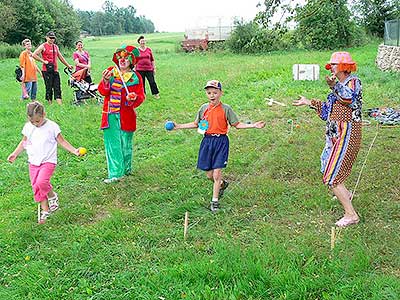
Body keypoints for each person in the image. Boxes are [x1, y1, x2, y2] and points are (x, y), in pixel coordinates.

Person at [172, 80, 266, 212]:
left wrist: (253, 125)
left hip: (221, 142)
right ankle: (222, 184)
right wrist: (178, 126)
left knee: (217, 174)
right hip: (207, 142)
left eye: (215, 92)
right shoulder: (203, 109)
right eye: (209, 92)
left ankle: (214, 201)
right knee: (209, 175)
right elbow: (196, 124)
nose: (212, 95)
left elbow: (237, 125)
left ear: (220, 93)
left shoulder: (226, 109)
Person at [293, 51, 362, 227]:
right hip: (334, 135)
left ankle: (351, 214)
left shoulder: (353, 82)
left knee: (332, 176)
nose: (330, 67)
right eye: (330, 64)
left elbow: (347, 98)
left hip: (347, 133)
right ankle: (345, 194)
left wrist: (333, 86)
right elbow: (328, 112)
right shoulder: (339, 85)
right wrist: (309, 102)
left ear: (344, 67)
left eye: (334, 64)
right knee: (328, 167)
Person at [7, 101, 84, 224]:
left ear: (44, 114)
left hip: (48, 161)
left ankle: (52, 196)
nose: (35, 124)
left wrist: (74, 151)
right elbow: (24, 142)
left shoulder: (52, 127)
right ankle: (45, 210)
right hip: (33, 162)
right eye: (32, 121)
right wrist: (15, 153)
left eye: (37, 121)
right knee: (36, 186)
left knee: (42, 182)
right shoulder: (28, 127)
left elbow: (62, 141)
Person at [98, 45, 145, 183]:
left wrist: (134, 97)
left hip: (127, 116)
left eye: (126, 58)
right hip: (110, 115)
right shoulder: (110, 72)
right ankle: (116, 174)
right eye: (120, 57)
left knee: (126, 143)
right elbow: (103, 91)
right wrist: (105, 81)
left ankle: (126, 169)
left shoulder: (135, 77)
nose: (122, 60)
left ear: (131, 61)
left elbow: (141, 96)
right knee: (113, 145)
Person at [32, 31, 73, 105]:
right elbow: (34, 55)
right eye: (50, 38)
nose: (52, 39)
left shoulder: (55, 47)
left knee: (57, 86)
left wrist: (68, 65)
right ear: (46, 37)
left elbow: (60, 57)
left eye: (53, 38)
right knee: (49, 87)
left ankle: (60, 104)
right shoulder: (43, 46)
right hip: (46, 70)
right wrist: (43, 61)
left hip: (55, 69)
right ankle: (49, 103)